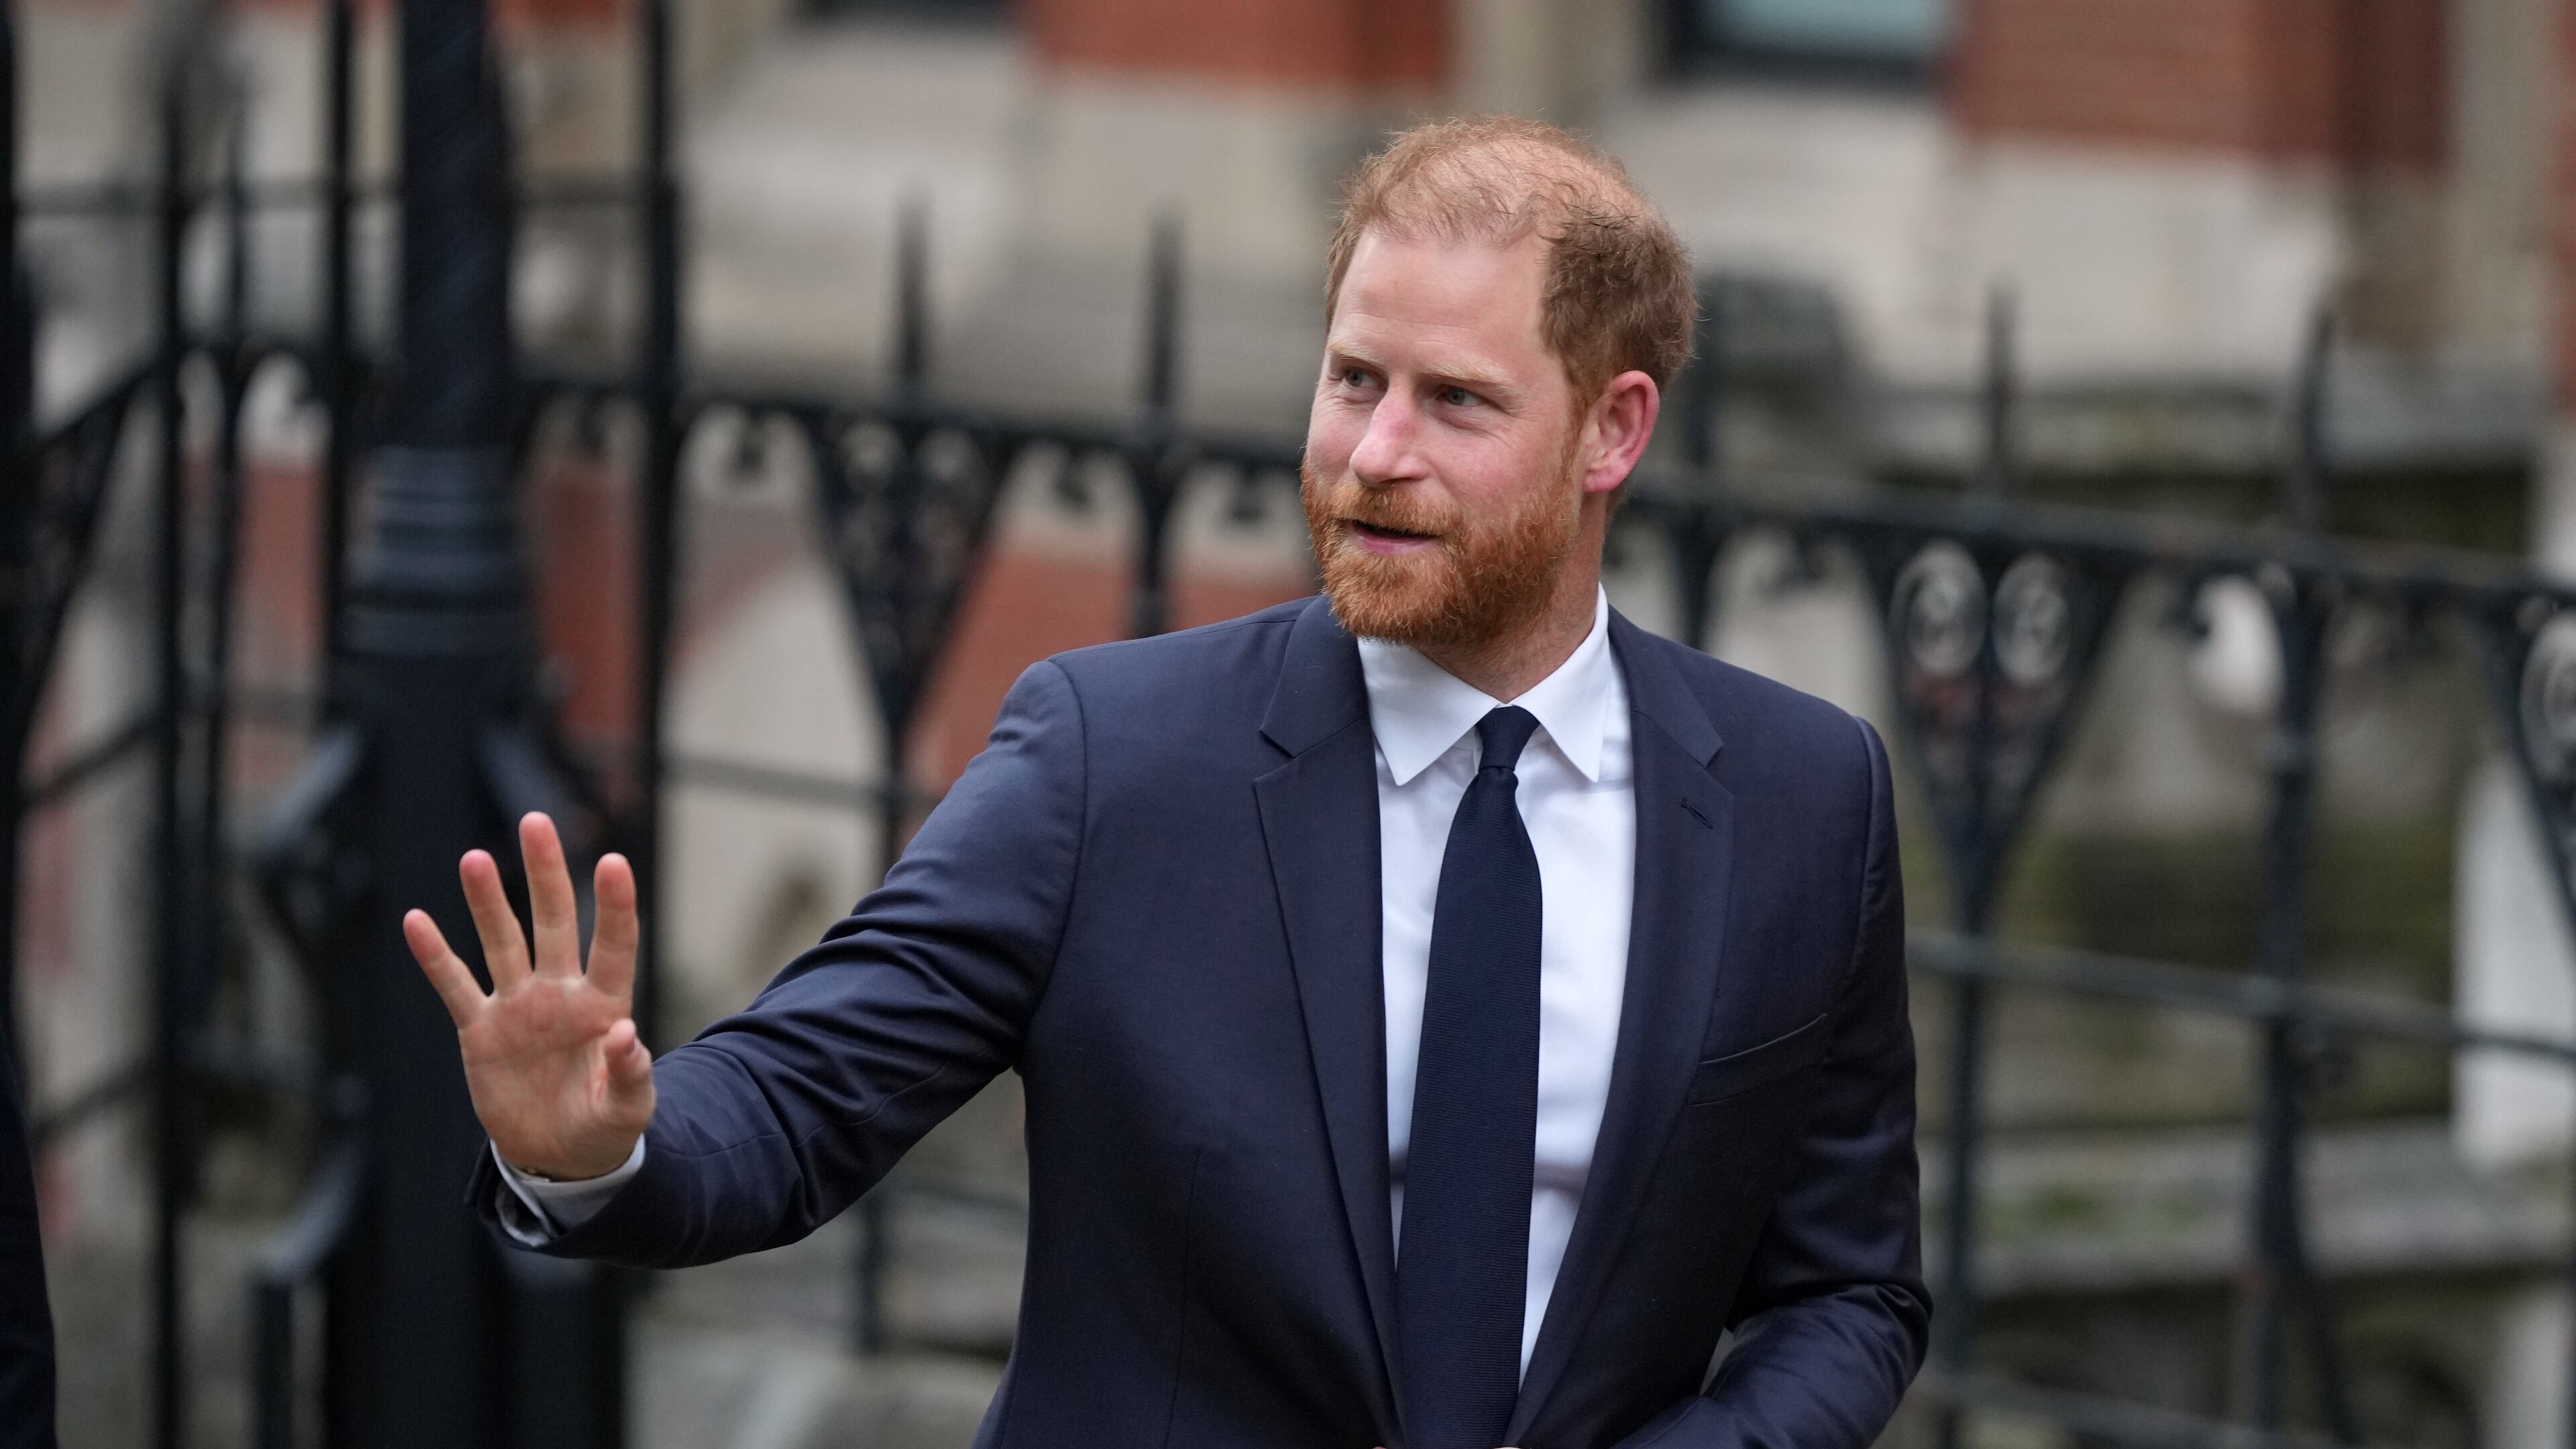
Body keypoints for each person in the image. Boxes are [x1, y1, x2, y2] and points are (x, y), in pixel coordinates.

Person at [408, 117, 1927, 1449]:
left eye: (1455, 402)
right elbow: (805, 1093)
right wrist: (606, 1148)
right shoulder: (1112, 758)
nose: (1372, 454)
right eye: (1350, 380)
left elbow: (1850, 1288)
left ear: (1615, 429)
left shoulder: (1804, 798)